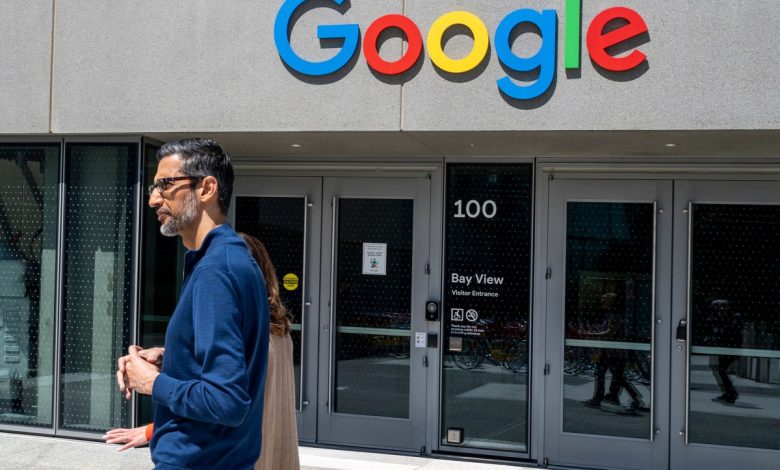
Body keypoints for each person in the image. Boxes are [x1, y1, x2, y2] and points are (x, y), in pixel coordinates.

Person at [114, 138, 270, 469]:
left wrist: (153, 383)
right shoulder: (228, 260)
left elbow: (227, 401)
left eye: (165, 185)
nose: (153, 198)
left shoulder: (216, 270)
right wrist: (173, 358)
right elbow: (229, 364)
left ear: (206, 188)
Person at [105, 234, 300, 470]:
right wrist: (170, 356)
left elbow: (225, 401)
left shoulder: (260, 338)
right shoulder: (278, 331)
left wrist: (153, 397)